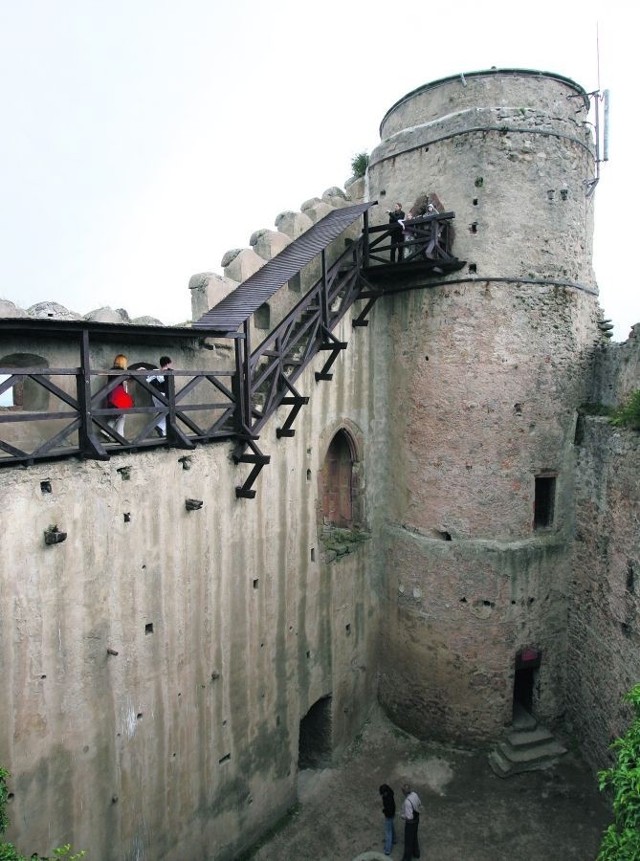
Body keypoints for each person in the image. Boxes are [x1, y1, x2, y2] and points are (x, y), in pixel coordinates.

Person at [103, 353, 132, 439]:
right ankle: (115, 434)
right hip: (119, 394)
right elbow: (126, 381)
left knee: (119, 414)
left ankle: (112, 432)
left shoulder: (111, 371)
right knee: (122, 414)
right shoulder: (121, 371)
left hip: (111, 394)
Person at [146, 355, 172, 438]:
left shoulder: (155, 372)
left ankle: (162, 430)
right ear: (167, 363)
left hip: (155, 395)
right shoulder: (167, 372)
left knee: (165, 411)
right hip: (163, 395)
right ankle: (159, 426)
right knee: (169, 410)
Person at [401, 782, 422, 860]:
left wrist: (403, 816)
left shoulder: (407, 802)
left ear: (403, 792)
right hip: (417, 819)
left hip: (410, 823)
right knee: (414, 836)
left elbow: (409, 817)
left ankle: (407, 858)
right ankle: (416, 852)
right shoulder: (414, 794)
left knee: (408, 841)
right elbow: (419, 803)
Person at [379, 783, 396, 856]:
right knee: (391, 826)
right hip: (391, 814)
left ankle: (387, 850)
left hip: (389, 815)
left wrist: (384, 811)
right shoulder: (390, 794)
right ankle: (394, 839)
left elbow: (389, 809)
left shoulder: (387, 799)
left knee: (388, 832)